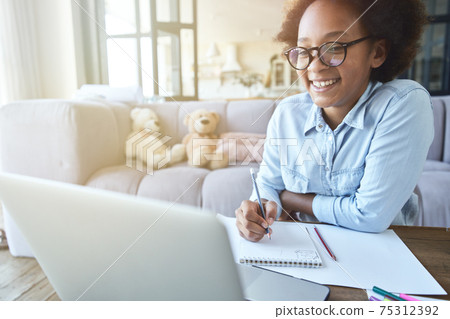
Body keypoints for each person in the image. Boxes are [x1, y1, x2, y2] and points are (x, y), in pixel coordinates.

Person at [235, 0, 433, 242]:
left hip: (376, 263)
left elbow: (370, 215)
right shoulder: (288, 113)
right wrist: (258, 209)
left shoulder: (403, 103)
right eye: (304, 51)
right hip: (302, 255)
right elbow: (268, 184)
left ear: (377, 52)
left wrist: (291, 199)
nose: (315, 67)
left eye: (335, 48)